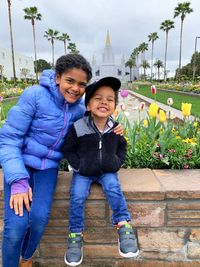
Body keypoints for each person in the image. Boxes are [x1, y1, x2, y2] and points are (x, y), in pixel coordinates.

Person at [0, 53, 122, 267]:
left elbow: (96, 122)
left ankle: (26, 259)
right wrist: (18, 180)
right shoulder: (34, 95)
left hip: (48, 169)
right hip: (21, 166)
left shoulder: (78, 110)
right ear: (57, 77)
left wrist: (115, 127)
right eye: (70, 81)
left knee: (38, 220)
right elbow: (9, 138)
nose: (75, 88)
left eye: (82, 84)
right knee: (16, 227)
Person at [61, 77, 139, 266]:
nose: (104, 102)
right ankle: (75, 234)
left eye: (110, 99)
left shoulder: (115, 128)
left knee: (113, 187)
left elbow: (122, 147)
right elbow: (68, 149)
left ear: (114, 106)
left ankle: (123, 225)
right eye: (98, 98)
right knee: (77, 195)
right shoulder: (78, 127)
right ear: (88, 105)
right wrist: (78, 165)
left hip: (107, 171)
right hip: (84, 172)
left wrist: (117, 162)